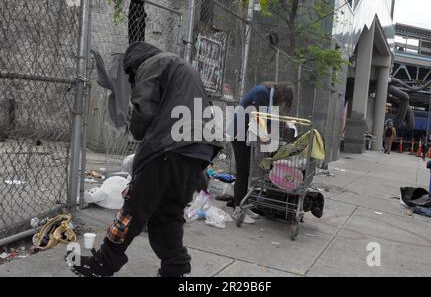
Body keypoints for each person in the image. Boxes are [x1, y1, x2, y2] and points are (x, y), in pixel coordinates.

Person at [67, 42, 220, 277]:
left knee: (133, 209)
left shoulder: (152, 64)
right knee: (166, 213)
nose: (131, 82)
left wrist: (134, 125)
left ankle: (102, 265)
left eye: (130, 76)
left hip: (171, 147)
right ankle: (175, 269)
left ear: (134, 66)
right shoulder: (179, 67)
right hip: (198, 151)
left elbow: (144, 113)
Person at [228, 82, 294, 224]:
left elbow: (269, 120)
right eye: (284, 100)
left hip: (247, 136)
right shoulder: (262, 93)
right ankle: (238, 208)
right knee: (243, 170)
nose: (282, 103)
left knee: (247, 171)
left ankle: (242, 204)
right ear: (281, 94)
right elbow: (258, 117)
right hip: (239, 134)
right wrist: (265, 136)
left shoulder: (269, 97)